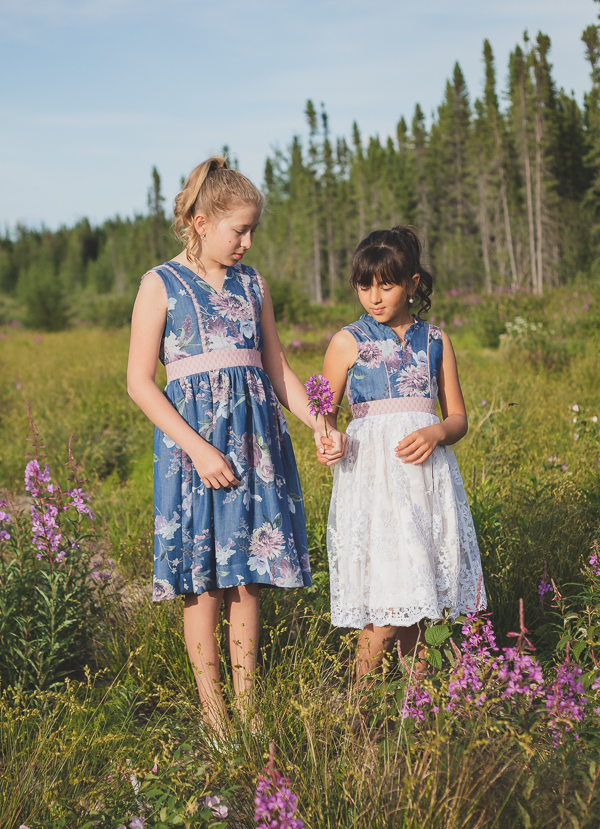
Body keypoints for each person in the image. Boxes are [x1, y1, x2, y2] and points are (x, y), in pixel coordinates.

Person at [127, 156, 346, 733]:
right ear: (201, 222)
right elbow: (139, 382)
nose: (247, 242)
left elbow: (276, 367)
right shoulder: (161, 284)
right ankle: (213, 713)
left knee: (247, 573)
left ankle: (249, 710)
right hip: (193, 448)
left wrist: (317, 421)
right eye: (237, 230)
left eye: (253, 231)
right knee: (202, 581)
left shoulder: (253, 284)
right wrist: (197, 448)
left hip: (256, 445)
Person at [317, 226, 485, 684]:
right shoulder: (347, 342)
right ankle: (357, 702)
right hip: (375, 483)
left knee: (422, 600)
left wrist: (437, 432)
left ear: (412, 283)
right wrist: (331, 439)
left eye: (386, 285)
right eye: (364, 285)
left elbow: (458, 419)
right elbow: (324, 415)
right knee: (388, 600)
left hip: (425, 480)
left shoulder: (436, 341)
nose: (374, 296)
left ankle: (419, 706)